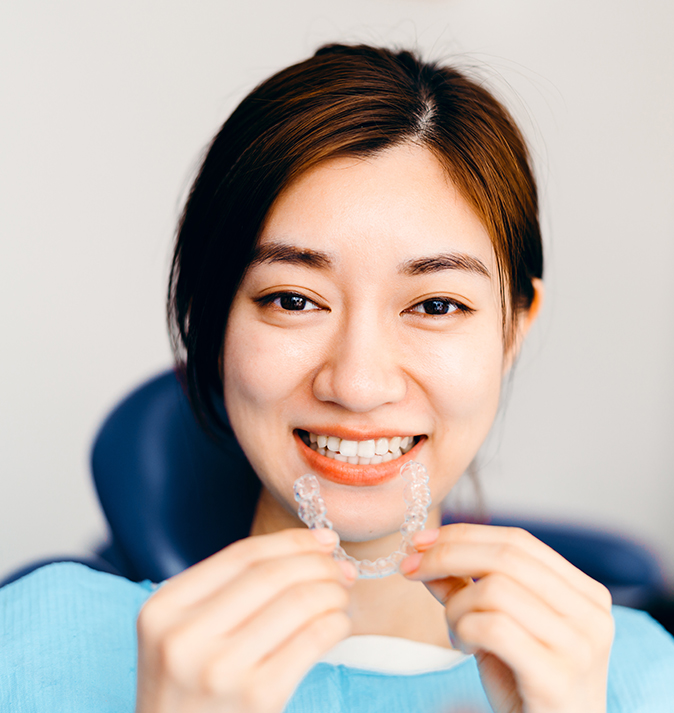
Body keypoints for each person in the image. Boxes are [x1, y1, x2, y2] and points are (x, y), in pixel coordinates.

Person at [2, 43, 674, 713]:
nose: (357, 383)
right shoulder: (34, 645)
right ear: (215, 323)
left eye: (436, 305)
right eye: (293, 299)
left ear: (515, 328)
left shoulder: (642, 676)